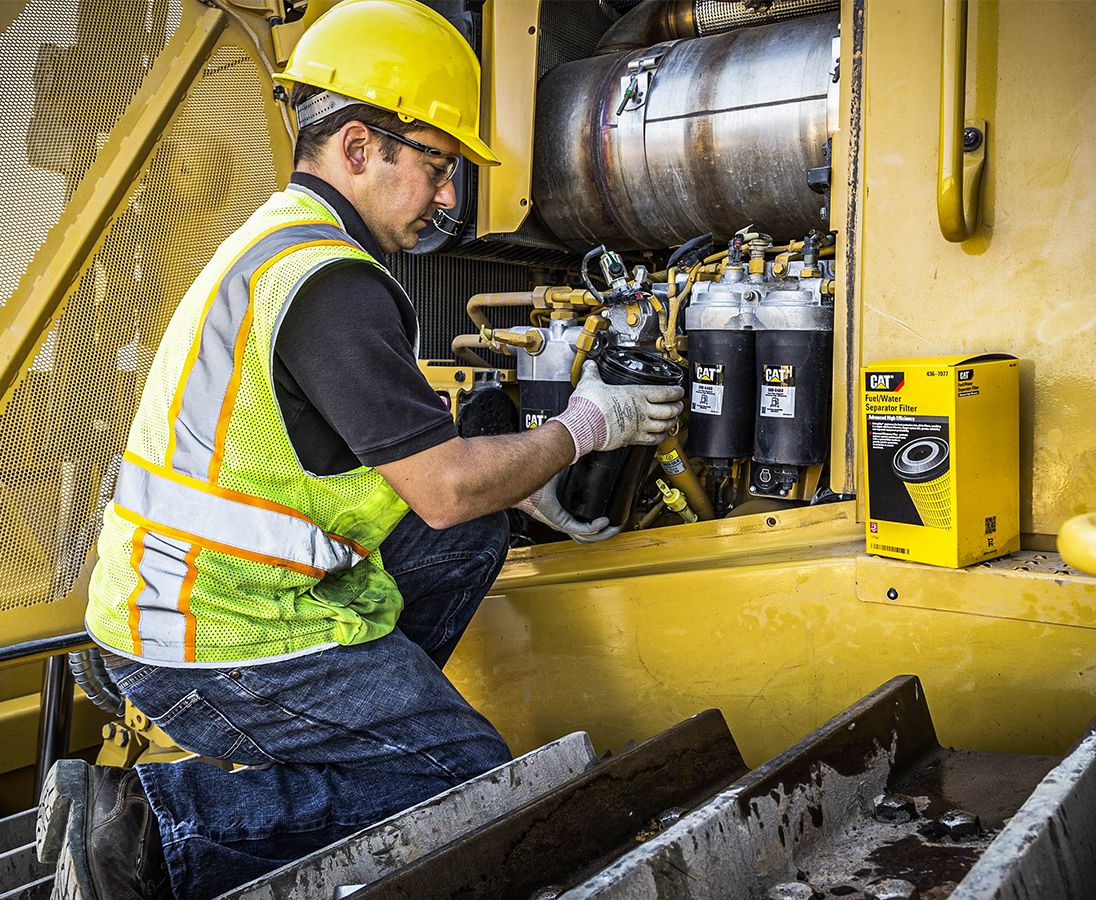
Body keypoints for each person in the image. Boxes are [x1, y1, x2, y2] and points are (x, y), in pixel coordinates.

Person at [36, 1, 685, 897]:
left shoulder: (285, 243)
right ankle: (142, 829)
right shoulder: (329, 284)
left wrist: (520, 480)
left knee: (471, 536)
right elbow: (447, 489)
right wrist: (584, 428)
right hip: (209, 636)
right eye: (436, 164)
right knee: (465, 780)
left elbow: (417, 490)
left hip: (201, 596)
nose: (449, 198)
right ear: (354, 144)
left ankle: (361, 736)